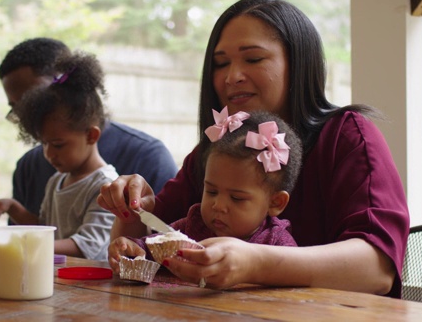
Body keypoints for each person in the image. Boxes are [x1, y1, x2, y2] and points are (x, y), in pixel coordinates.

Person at [97, 0, 410, 297]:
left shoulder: (348, 137)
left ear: (298, 63)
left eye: (253, 59)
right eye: (220, 64)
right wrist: (131, 208)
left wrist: (255, 262)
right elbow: (150, 240)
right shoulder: (218, 149)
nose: (232, 77)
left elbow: (377, 269)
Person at [0, 38, 178, 224]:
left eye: (35, 98)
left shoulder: (148, 157)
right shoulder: (29, 168)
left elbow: (167, 240)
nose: (30, 112)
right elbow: (30, 240)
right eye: (18, 107)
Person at [108, 110, 302, 272]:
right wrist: (132, 247)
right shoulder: (193, 227)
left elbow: (294, 282)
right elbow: (153, 247)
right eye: (211, 192)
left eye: (236, 198)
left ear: (275, 203)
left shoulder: (278, 244)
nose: (218, 205)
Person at [0, 51, 117, 261]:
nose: (48, 153)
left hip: (91, 286)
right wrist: (13, 208)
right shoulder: (57, 180)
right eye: (44, 143)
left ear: (91, 136)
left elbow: (87, 245)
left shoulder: (107, 187)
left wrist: (25, 243)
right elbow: (44, 230)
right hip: (60, 280)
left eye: (57, 144)